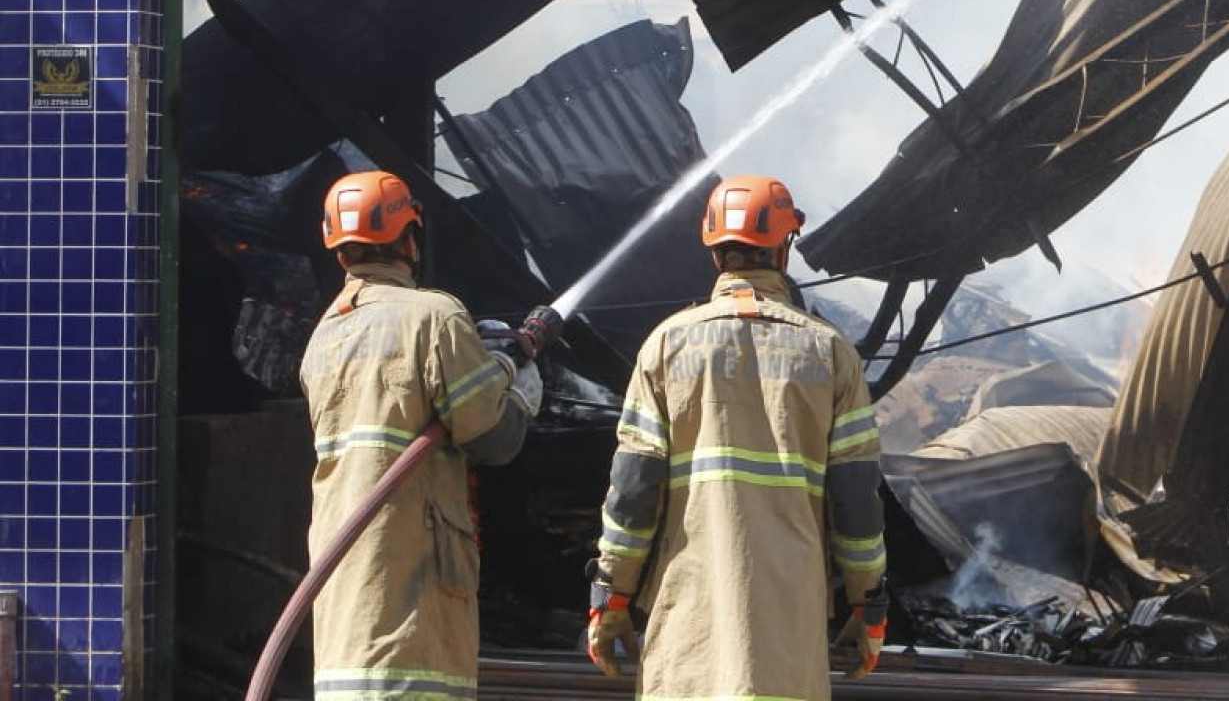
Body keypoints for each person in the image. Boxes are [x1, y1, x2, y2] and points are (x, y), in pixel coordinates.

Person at [586, 174, 888, 697]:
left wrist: (612, 597)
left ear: (714, 253)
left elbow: (633, 495)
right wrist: (870, 606)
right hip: (788, 634)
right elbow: (857, 503)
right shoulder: (832, 354)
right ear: (783, 248)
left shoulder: (665, 347)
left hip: (690, 635)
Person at [299, 169, 543, 700]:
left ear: (337, 250)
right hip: (412, 599)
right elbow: (493, 439)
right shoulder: (434, 316)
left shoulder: (324, 336)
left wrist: (481, 360)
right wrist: (522, 392)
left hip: (345, 596)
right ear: (410, 238)